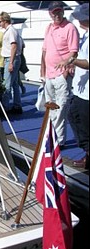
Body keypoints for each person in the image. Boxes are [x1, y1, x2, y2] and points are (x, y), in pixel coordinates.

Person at [40, 1, 79, 148]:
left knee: (61, 109)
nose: (56, 15)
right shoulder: (48, 28)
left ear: (63, 11)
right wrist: (42, 71)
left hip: (61, 75)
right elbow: (44, 50)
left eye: (59, 11)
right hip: (49, 75)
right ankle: (52, 137)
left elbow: (73, 52)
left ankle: (58, 141)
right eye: (54, 12)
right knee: (51, 109)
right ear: (50, 13)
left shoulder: (70, 28)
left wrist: (65, 70)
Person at [55, 3, 89, 169]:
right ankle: (87, 151)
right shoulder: (86, 36)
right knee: (73, 115)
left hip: (87, 92)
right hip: (81, 90)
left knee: (83, 122)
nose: (78, 21)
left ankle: (88, 154)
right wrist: (73, 66)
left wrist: (72, 61)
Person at [0, 11, 22, 114]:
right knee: (15, 84)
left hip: (11, 59)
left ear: (5, 21)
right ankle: (17, 105)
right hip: (13, 58)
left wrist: (11, 62)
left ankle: (4, 108)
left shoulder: (11, 31)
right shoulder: (10, 30)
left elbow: (14, 46)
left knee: (6, 85)